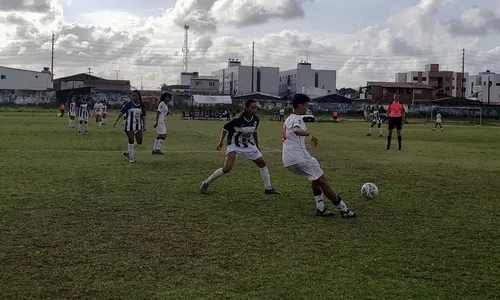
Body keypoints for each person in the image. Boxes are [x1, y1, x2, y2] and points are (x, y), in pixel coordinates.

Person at [282, 94, 356, 218]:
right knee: (323, 181)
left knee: (315, 177)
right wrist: (309, 134)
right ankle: (344, 210)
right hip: (299, 157)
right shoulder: (297, 118)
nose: (306, 108)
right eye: (305, 106)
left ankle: (320, 208)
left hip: (288, 159)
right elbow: (296, 130)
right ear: (300, 105)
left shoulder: (288, 118)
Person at [200, 99, 279, 195]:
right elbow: (225, 128)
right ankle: (206, 182)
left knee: (262, 164)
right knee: (227, 168)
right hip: (234, 145)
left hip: (247, 145)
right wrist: (220, 142)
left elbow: (254, 132)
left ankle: (268, 188)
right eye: (252, 107)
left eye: (255, 107)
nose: (254, 109)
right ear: (246, 108)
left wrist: (257, 146)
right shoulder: (237, 120)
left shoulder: (255, 120)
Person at [113, 90, 146, 163]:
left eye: (135, 96)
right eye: (133, 96)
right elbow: (121, 113)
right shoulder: (128, 104)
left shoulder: (141, 106)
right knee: (131, 142)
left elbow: (143, 116)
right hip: (129, 126)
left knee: (139, 142)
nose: (134, 97)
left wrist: (144, 125)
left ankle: (128, 152)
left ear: (138, 96)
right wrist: (116, 121)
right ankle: (131, 159)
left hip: (138, 126)